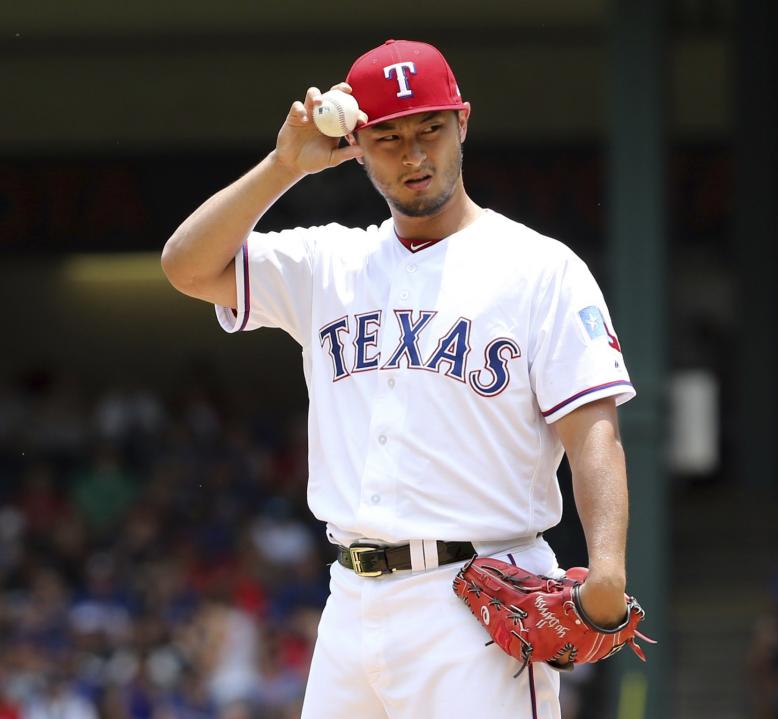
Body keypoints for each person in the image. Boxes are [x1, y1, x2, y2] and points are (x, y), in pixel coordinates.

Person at [161, 39, 636, 719]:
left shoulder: (539, 268)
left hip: (480, 598)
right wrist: (282, 167)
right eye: (387, 137)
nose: (414, 155)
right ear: (355, 144)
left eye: (430, 129)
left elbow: (593, 431)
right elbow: (186, 266)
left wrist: (609, 568)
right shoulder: (329, 262)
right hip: (351, 602)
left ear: (463, 122)